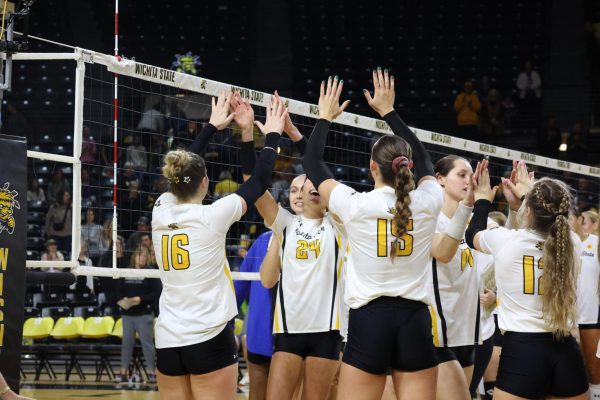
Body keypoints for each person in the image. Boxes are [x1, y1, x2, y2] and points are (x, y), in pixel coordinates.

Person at [303, 70, 443, 399]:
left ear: (372, 168)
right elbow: (425, 159)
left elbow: (311, 161)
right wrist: (389, 112)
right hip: (415, 321)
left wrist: (324, 118)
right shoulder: (429, 201)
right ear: (405, 167)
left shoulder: (355, 205)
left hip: (369, 320)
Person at [151, 90, 286, 399]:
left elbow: (182, 173)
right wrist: (271, 134)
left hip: (169, 340)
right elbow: (259, 181)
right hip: (209, 337)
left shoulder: (161, 209)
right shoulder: (213, 215)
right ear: (205, 182)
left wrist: (211, 127)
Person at [465, 161, 588, 399]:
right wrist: (526, 198)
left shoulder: (507, 241)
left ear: (529, 211)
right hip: (566, 351)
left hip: (524, 352)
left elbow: (473, 235)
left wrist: (482, 199)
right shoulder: (574, 242)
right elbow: (546, 223)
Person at [428, 155, 484, 400]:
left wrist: (514, 207)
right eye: (461, 175)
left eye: (471, 175)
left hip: (468, 332)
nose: (468, 181)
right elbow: (442, 254)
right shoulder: (428, 219)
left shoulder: (473, 224)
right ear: (440, 179)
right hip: (438, 333)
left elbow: (506, 247)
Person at [116, 246, 162, 384]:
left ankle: (152, 372)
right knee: (126, 343)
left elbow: (156, 292)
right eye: (139, 255)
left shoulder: (150, 272)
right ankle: (123, 372)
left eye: (144, 255)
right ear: (134, 256)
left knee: (147, 344)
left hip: (144, 313)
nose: (142, 258)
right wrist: (123, 300)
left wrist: (140, 299)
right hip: (128, 314)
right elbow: (118, 290)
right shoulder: (126, 271)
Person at [572, 208, 600, 397]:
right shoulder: (563, 243)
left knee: (594, 371)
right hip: (566, 318)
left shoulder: (596, 243)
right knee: (573, 370)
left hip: (591, 315)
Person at [44, 190, 72, 254]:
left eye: (68, 195)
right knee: (55, 255)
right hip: (55, 235)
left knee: (66, 254)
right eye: (66, 195)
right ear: (61, 196)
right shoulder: (53, 207)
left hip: (67, 235)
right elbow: (47, 220)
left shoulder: (71, 207)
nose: (68, 197)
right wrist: (46, 232)